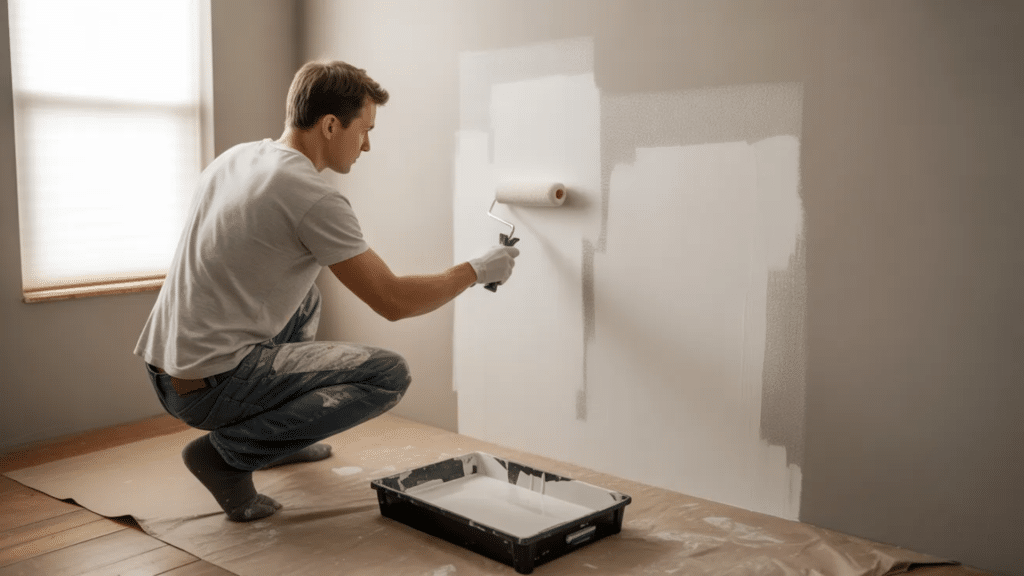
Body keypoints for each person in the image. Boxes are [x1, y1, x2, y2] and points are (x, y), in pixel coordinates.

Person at [135, 61, 519, 522]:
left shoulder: (238, 158)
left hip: (166, 368)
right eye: (365, 130)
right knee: (387, 375)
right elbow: (393, 301)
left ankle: (272, 444)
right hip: (209, 386)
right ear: (331, 125)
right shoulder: (310, 195)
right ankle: (225, 457)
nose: (368, 145)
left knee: (306, 295)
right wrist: (477, 270)